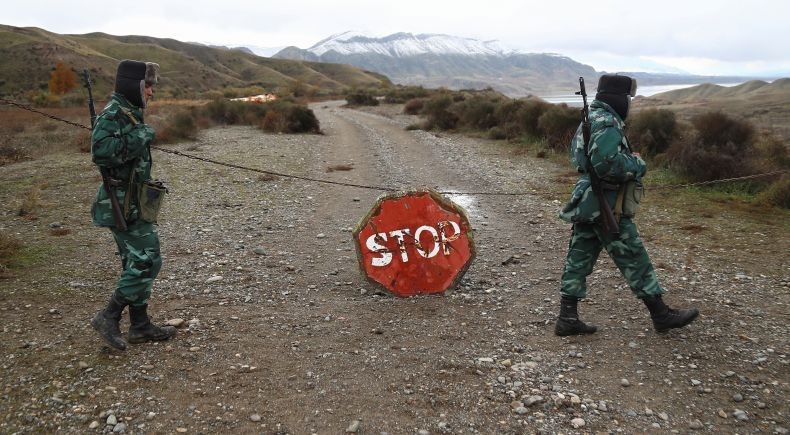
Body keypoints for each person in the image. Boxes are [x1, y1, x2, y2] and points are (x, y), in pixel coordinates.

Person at [555, 74, 699, 336]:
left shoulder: (590, 118)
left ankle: (567, 317)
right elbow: (607, 164)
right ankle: (661, 314)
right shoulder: (608, 122)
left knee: (579, 257)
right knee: (633, 256)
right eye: (628, 99)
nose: (629, 104)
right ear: (619, 99)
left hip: (588, 201)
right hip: (607, 202)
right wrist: (637, 163)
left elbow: (580, 157)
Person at [90, 59, 176, 350]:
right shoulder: (113, 114)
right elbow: (101, 152)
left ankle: (140, 325)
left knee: (133, 262)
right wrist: (144, 134)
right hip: (120, 202)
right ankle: (109, 315)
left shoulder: (130, 112)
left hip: (135, 202)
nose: (151, 92)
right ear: (134, 86)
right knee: (147, 260)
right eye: (148, 86)